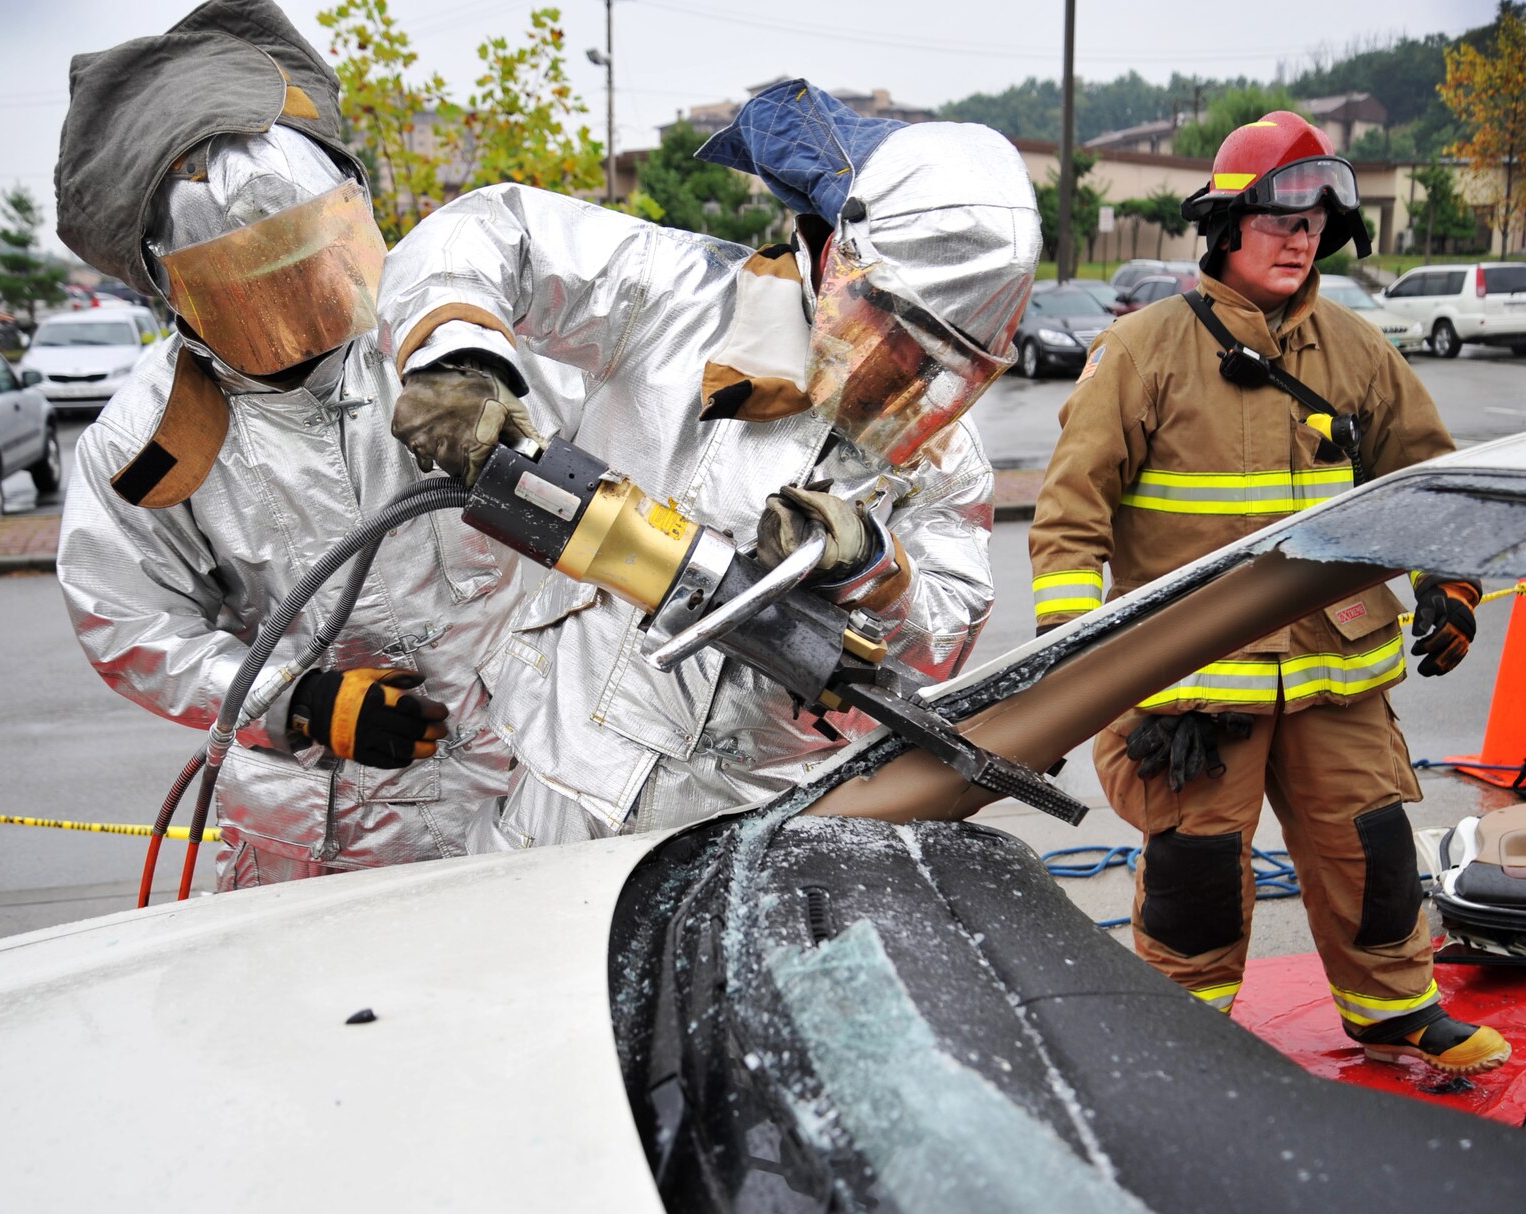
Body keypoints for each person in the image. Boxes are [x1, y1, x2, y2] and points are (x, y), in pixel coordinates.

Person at [379, 81, 1038, 852]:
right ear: (839, 254)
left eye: (941, 363)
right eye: (896, 333)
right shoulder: (682, 300)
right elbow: (495, 228)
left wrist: (874, 572)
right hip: (555, 774)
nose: (907, 376)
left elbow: (938, 652)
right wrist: (456, 353)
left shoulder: (945, 464)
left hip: (758, 820)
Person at [1029, 111, 1508, 1074]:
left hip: (1339, 671)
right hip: (1199, 685)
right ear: (1224, 226)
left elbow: (1426, 481)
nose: (1300, 239)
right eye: (1280, 219)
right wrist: (1083, 660)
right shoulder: (1145, 352)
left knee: (1370, 847)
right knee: (1195, 874)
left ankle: (1395, 1008)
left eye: (1317, 223)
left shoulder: (1359, 351)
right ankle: (1184, 1035)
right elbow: (1072, 510)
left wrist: (1450, 583)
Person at [52, 0, 524, 889]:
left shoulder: (436, 347)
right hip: (317, 837)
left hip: (511, 800)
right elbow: (125, 617)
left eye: (309, 267)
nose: (296, 314)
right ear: (176, 290)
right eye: (252, 290)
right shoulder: (148, 439)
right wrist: (296, 700)